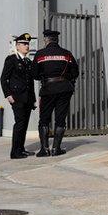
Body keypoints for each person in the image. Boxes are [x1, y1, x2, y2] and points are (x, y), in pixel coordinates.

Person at [34, 29, 79, 157]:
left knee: (44, 119)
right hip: (64, 89)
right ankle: (56, 149)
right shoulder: (67, 54)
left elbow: (34, 74)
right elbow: (75, 72)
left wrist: (44, 77)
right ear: (57, 40)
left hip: (47, 89)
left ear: (46, 40)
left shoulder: (40, 54)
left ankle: (44, 149)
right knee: (60, 119)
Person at [0, 32, 37, 160]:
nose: (27, 46)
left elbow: (30, 82)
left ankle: (21, 148)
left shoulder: (27, 61)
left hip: (27, 98)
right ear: (17, 45)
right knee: (19, 123)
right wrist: (8, 94)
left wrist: (33, 100)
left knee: (24, 124)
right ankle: (14, 152)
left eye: (28, 44)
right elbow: (4, 79)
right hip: (17, 97)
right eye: (24, 44)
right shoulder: (11, 59)